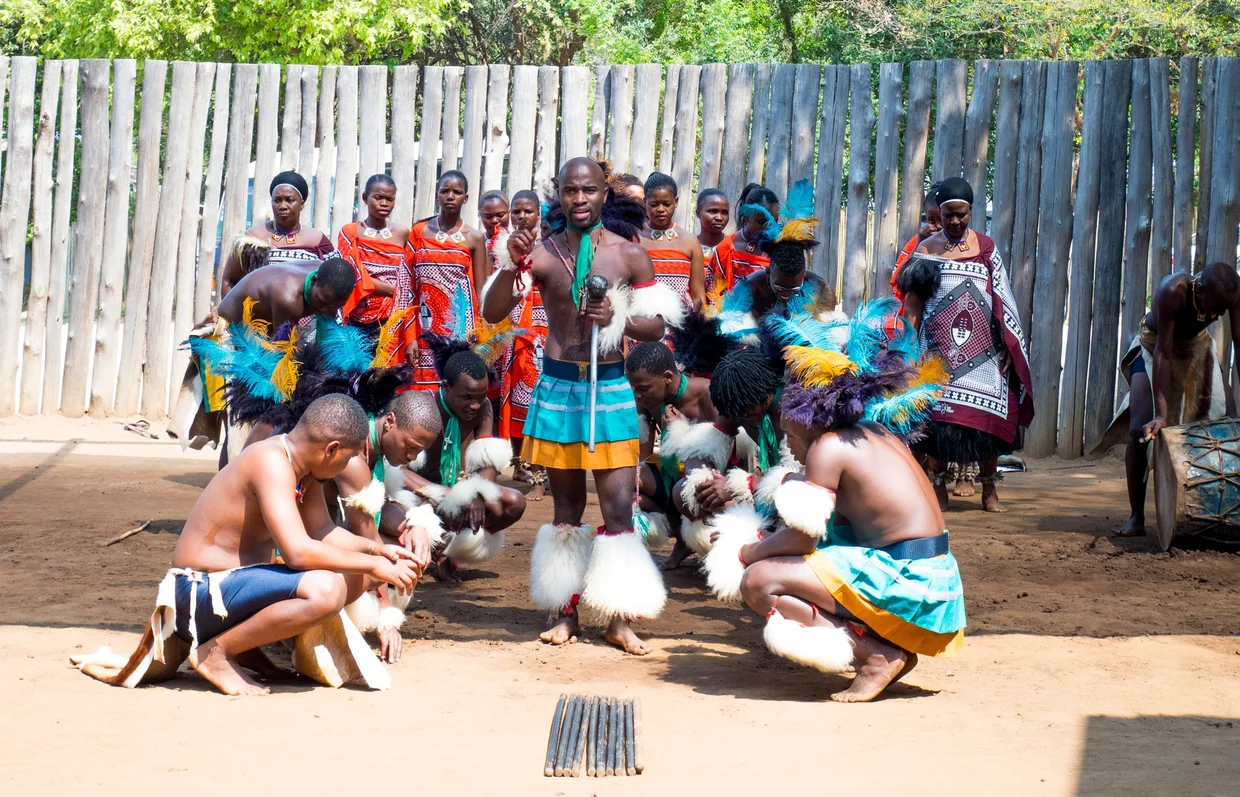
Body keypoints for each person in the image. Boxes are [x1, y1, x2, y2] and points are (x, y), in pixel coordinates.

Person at [700, 298, 962, 703]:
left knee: (758, 580)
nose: (785, 437)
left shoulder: (827, 449)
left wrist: (745, 550)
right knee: (788, 560)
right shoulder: (872, 431)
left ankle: (876, 655)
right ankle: (881, 646)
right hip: (936, 580)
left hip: (913, 583)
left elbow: (802, 540)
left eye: (787, 429)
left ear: (805, 416)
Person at [80, 395, 421, 696]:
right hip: (198, 593)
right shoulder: (271, 462)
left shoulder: (306, 471)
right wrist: (371, 563)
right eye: (345, 459)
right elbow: (298, 553)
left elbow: (322, 531)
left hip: (233, 591)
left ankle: (241, 646)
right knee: (327, 588)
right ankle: (216, 652)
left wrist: (376, 551)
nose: (346, 467)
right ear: (331, 449)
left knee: (357, 576)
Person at [481, 157, 683, 655]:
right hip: (558, 387)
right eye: (570, 191)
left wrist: (617, 319)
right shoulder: (542, 254)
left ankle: (618, 619)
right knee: (566, 507)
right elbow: (491, 312)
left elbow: (659, 325)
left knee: (617, 507)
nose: (579, 200)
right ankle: (564, 611)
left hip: (611, 386)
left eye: (588, 190)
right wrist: (510, 263)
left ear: (603, 194)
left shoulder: (629, 254)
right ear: (560, 194)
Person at [898, 177, 1034, 513]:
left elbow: (1002, 297)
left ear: (971, 211)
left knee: (984, 422)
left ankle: (989, 491)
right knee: (938, 426)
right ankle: (938, 487)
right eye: (948, 217)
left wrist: (1007, 344)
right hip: (937, 350)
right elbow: (913, 303)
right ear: (939, 214)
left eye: (962, 215)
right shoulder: (926, 250)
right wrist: (908, 346)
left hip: (984, 352)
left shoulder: (986, 248)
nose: (955, 222)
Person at [1097, 262, 1240, 536]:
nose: (1220, 315)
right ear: (1200, 291)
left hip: (1197, 346)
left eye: (1225, 310)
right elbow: (1163, 352)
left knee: (1230, 421)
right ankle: (1136, 517)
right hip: (1154, 347)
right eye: (1216, 308)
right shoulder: (1172, 291)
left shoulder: (1233, 293)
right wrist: (1161, 415)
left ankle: (1222, 511)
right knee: (1140, 428)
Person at [387, 350, 528, 583]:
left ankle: (448, 548)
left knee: (514, 503)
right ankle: (429, 545)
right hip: (415, 493)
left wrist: (477, 495)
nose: (474, 405)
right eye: (467, 397)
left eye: (481, 396)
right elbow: (396, 469)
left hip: (455, 491)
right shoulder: (422, 407)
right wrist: (443, 494)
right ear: (446, 386)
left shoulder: (483, 409)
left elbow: (487, 462)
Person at [330, 391, 444, 662]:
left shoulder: (374, 447)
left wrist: (414, 525)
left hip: (334, 535)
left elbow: (378, 509)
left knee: (409, 545)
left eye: (419, 451)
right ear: (390, 421)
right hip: (304, 546)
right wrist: (386, 618)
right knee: (394, 557)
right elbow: (369, 539)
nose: (412, 457)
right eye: (411, 445)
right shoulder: (354, 455)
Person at [670, 346, 786, 564]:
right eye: (737, 412)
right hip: (765, 498)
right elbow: (702, 451)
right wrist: (704, 480)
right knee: (684, 490)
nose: (744, 416)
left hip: (797, 504)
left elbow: (807, 486)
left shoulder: (793, 412)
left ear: (767, 393)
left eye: (749, 409)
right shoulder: (739, 402)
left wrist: (738, 485)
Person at [625, 341, 719, 569]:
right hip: (670, 479)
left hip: (709, 483)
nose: (637, 395)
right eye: (634, 389)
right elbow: (643, 457)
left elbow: (723, 453)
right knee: (627, 480)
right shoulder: (650, 400)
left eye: (643, 388)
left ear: (667, 377)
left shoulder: (706, 394)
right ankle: (682, 541)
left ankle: (716, 547)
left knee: (691, 482)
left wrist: (680, 431)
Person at [398, 170, 490, 389]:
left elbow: (480, 292)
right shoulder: (418, 232)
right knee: (423, 392)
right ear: (437, 195)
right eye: (445, 191)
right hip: (424, 329)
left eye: (457, 192)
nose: (450, 196)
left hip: (460, 331)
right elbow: (406, 286)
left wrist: (479, 334)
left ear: (466, 198)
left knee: (457, 390)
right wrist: (410, 337)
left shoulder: (475, 238)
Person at [497, 189, 549, 499]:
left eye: (527, 211)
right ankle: (520, 464)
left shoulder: (547, 249)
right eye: (516, 211)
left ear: (538, 215)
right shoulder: (504, 248)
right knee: (516, 399)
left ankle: (540, 475)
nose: (521, 216)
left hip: (544, 331)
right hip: (513, 332)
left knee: (538, 402)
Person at [220, 171, 336, 297]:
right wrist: (234, 314)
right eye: (277, 200)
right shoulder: (252, 238)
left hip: (308, 315)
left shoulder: (318, 241)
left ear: (301, 204)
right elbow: (229, 280)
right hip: (260, 315)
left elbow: (334, 282)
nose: (282, 206)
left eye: (289, 200)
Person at [337, 174, 410, 335]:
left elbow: (408, 272)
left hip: (395, 314)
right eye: (378, 198)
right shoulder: (350, 232)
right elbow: (352, 275)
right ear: (365, 197)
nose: (384, 203)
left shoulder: (402, 233)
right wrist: (393, 290)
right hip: (359, 315)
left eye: (389, 199)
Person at [217, 256, 357, 329]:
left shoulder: (328, 287)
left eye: (334, 307)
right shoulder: (288, 299)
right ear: (314, 280)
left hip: (261, 332)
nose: (325, 310)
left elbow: (326, 333)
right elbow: (281, 350)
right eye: (321, 301)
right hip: (228, 329)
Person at [640, 172, 707, 308]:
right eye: (654, 204)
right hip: (643, 322)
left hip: (681, 324)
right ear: (645, 202)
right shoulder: (634, 237)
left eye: (667, 204)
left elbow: (698, 295)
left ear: (675, 202)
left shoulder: (690, 242)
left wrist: (700, 326)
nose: (660, 209)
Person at [711, 183, 777, 292]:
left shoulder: (783, 249)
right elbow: (713, 297)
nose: (769, 228)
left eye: (774, 221)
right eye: (761, 222)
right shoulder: (727, 249)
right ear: (746, 217)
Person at [889, 181, 942, 313]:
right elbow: (899, 280)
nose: (938, 226)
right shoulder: (918, 241)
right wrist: (920, 245)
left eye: (942, 219)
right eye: (932, 221)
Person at [696, 188, 730, 304]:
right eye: (713, 211)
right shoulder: (688, 246)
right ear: (698, 213)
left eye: (724, 212)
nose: (719, 217)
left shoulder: (732, 247)